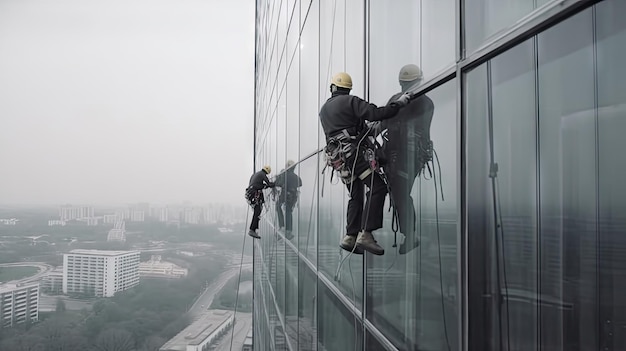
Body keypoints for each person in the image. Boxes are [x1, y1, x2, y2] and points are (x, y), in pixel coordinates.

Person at [319, 72, 411, 255]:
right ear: (348, 89)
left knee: (356, 194)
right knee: (378, 187)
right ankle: (366, 234)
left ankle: (350, 236)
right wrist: (399, 104)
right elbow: (377, 113)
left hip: (339, 158)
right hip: (353, 156)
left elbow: (348, 129)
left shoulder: (324, 110)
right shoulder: (350, 102)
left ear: (333, 88)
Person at [383, 64, 434, 254]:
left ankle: (410, 234)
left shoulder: (419, 102)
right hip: (402, 156)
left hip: (405, 157)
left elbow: (386, 123)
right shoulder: (423, 101)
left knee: (400, 193)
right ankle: (409, 234)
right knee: (399, 193)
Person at [274, 160, 302, 240]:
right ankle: (289, 231)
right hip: (293, 196)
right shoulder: (296, 177)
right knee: (288, 211)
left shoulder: (284, 174)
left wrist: (278, 177)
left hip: (285, 194)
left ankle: (282, 226)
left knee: (278, 206)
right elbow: (300, 183)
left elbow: (278, 183)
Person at [246, 165, 275, 239]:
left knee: (258, 211)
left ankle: (254, 229)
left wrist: (264, 186)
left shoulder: (255, 174)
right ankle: (252, 229)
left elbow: (256, 184)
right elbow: (268, 183)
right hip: (254, 193)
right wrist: (274, 184)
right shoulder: (262, 174)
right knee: (257, 211)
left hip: (250, 193)